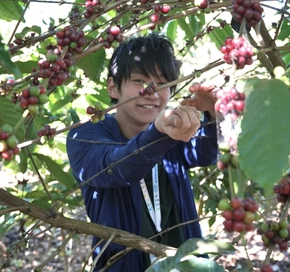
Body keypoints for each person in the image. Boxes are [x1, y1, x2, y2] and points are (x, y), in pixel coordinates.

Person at [66, 33, 219, 271]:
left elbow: (204, 153)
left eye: (162, 83)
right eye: (139, 81)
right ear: (113, 87)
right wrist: (157, 133)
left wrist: (213, 115)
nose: (152, 92)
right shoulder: (84, 136)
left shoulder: (172, 131)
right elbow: (116, 168)